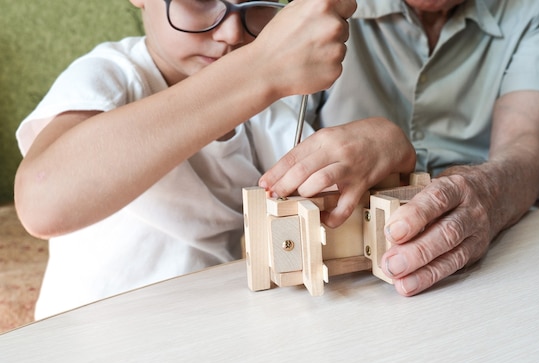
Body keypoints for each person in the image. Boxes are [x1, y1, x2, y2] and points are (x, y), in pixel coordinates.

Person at [13, 0, 385, 319]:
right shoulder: (112, 76)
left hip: (206, 336)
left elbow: (335, 209)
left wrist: (382, 142)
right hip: (92, 345)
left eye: (257, 3)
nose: (230, 33)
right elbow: (42, 201)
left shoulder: (267, 113)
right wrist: (259, 68)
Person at [260, 0, 539, 296]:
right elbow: (275, 146)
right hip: (342, 264)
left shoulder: (531, 7)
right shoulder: (317, 7)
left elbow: (526, 140)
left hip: (488, 252)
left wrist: (487, 192)